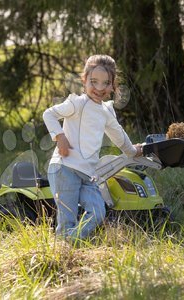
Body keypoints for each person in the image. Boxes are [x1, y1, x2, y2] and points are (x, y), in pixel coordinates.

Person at [43, 54, 142, 242]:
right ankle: (65, 247)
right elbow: (49, 114)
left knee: (97, 212)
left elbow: (119, 136)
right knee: (68, 219)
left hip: (88, 175)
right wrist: (60, 136)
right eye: (93, 81)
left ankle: (68, 241)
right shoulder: (77, 104)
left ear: (113, 86)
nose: (98, 88)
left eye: (105, 83)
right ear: (84, 80)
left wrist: (133, 151)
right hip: (65, 169)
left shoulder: (106, 111)